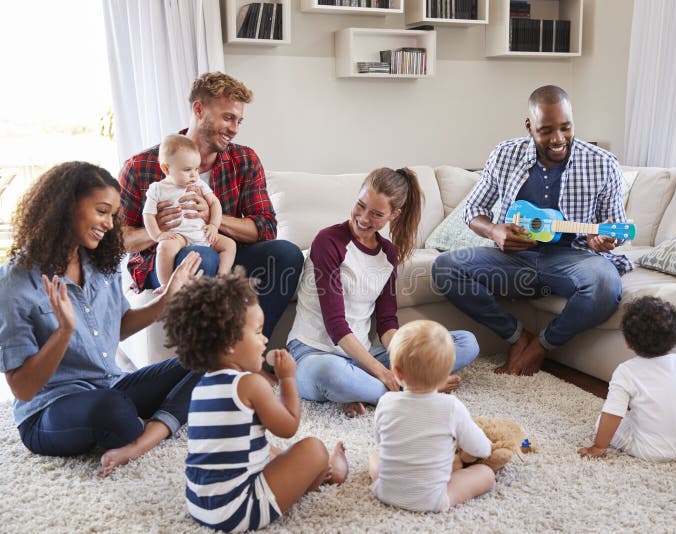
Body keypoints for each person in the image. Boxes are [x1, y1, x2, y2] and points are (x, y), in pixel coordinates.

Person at [0, 161, 203, 476]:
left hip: (111, 385)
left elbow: (118, 327)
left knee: (210, 356)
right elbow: (23, 389)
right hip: (48, 410)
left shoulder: (98, 263)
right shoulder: (15, 281)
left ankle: (155, 429)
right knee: (114, 410)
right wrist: (63, 331)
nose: (110, 224)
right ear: (66, 207)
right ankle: (157, 418)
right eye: (102, 211)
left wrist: (167, 299)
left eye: (113, 214)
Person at [432, 85, 632, 376]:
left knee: (605, 286)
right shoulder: (505, 154)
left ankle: (541, 345)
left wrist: (605, 240)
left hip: (574, 259)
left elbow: (616, 226)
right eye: (547, 130)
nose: (558, 139)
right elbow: (473, 210)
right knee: (444, 269)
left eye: (566, 127)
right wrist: (494, 232)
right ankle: (516, 336)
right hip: (514, 261)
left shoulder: (602, 164)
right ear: (529, 126)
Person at [119, 71, 303, 338]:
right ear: (198, 109)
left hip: (221, 252)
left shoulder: (244, 159)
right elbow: (115, 241)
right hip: (166, 260)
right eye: (227, 117)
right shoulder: (141, 166)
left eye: (239, 120)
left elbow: (265, 228)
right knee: (202, 258)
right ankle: (210, 360)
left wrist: (214, 220)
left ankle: (249, 350)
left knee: (287, 254)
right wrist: (157, 230)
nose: (234, 129)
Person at [163, 269, 348, 532]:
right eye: (258, 331)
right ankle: (329, 471)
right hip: (240, 509)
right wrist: (287, 379)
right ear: (228, 344)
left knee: (268, 449)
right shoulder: (250, 384)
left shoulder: (201, 387)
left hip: (200, 505)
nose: (265, 340)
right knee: (313, 449)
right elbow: (289, 426)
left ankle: (314, 469)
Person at [286, 167, 480, 418]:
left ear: (394, 215)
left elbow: (387, 322)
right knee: (329, 373)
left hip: (361, 356)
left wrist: (403, 359)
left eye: (376, 213)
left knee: (465, 343)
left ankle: (371, 391)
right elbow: (335, 326)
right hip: (313, 354)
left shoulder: (388, 253)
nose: (364, 218)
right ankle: (416, 391)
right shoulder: (328, 241)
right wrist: (384, 372)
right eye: (361, 205)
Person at [578, 296, 676, 461]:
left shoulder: (626, 371)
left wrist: (599, 446)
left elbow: (613, 413)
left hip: (650, 451)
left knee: (603, 420)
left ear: (628, 342)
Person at [368, 320, 495, 512]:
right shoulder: (452, 407)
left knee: (376, 457)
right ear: (447, 373)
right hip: (431, 500)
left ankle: (392, 486)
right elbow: (481, 450)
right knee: (486, 474)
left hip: (385, 492)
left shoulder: (386, 401)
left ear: (396, 373)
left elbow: (381, 440)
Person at [143, 134, 236, 285]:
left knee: (229, 245)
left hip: (203, 233)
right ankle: (167, 286)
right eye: (187, 170)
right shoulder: (157, 189)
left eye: (196, 169)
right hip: (180, 236)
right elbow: (148, 214)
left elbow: (214, 203)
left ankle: (222, 278)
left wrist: (213, 225)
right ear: (166, 168)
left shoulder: (198, 183)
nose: (194, 174)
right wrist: (157, 235)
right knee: (165, 247)